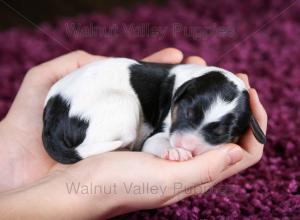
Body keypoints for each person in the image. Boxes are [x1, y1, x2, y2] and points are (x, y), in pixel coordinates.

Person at [0, 48, 267, 219]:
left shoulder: (187, 85)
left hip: (78, 116)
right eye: (187, 116)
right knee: (128, 114)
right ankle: (96, 145)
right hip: (85, 113)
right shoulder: (179, 86)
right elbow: (155, 142)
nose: (187, 141)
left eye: (217, 134)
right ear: (180, 96)